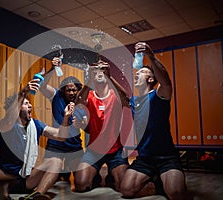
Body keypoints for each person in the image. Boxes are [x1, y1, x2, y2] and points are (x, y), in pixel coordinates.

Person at [0, 79, 75, 200]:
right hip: (5, 177)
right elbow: (11, 116)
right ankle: (5, 196)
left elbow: (61, 136)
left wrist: (66, 118)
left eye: (29, 103)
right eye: (26, 103)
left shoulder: (36, 125)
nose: (30, 105)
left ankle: (36, 195)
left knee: (56, 161)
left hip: (25, 179)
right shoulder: (7, 124)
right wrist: (23, 93)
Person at [119, 42, 187, 200]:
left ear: (150, 79)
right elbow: (124, 99)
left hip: (167, 158)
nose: (137, 73)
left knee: (176, 194)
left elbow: (166, 83)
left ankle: (163, 178)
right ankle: (155, 179)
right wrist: (108, 77)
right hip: (145, 159)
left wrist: (151, 56)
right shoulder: (135, 101)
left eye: (142, 72)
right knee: (126, 190)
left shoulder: (159, 95)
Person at [73, 58, 130, 192]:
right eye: (97, 71)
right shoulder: (90, 95)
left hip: (115, 151)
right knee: (81, 185)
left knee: (123, 185)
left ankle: (111, 175)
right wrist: (89, 80)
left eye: (102, 71)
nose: (100, 73)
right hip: (94, 151)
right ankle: (96, 177)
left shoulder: (115, 95)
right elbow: (78, 102)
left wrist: (110, 76)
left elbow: (126, 100)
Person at [39, 57, 85, 184]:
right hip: (55, 146)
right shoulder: (56, 96)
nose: (71, 92)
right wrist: (53, 68)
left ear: (78, 90)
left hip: (74, 146)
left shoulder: (81, 103)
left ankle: (66, 170)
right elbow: (42, 87)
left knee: (82, 182)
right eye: (68, 90)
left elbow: (86, 125)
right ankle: (61, 172)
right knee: (46, 180)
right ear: (63, 90)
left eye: (74, 90)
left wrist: (81, 124)